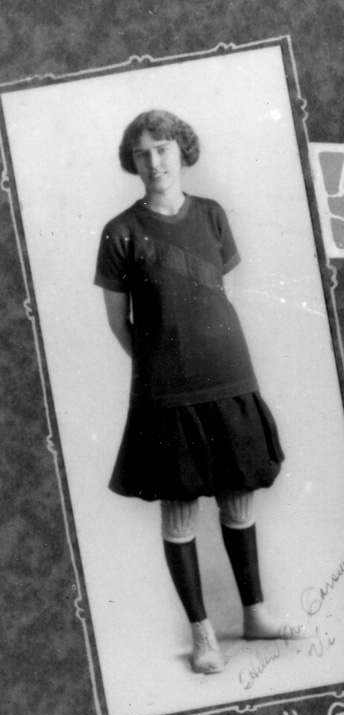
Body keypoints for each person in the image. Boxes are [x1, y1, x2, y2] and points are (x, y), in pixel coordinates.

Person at [97, 111, 293, 676]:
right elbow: (119, 323)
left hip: (230, 372)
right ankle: (203, 633)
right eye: (141, 154)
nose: (154, 162)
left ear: (182, 151)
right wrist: (162, 365)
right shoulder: (120, 232)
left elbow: (213, 295)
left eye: (162, 149)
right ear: (131, 162)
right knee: (180, 509)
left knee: (238, 497)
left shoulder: (210, 215)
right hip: (166, 389)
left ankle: (254, 616)